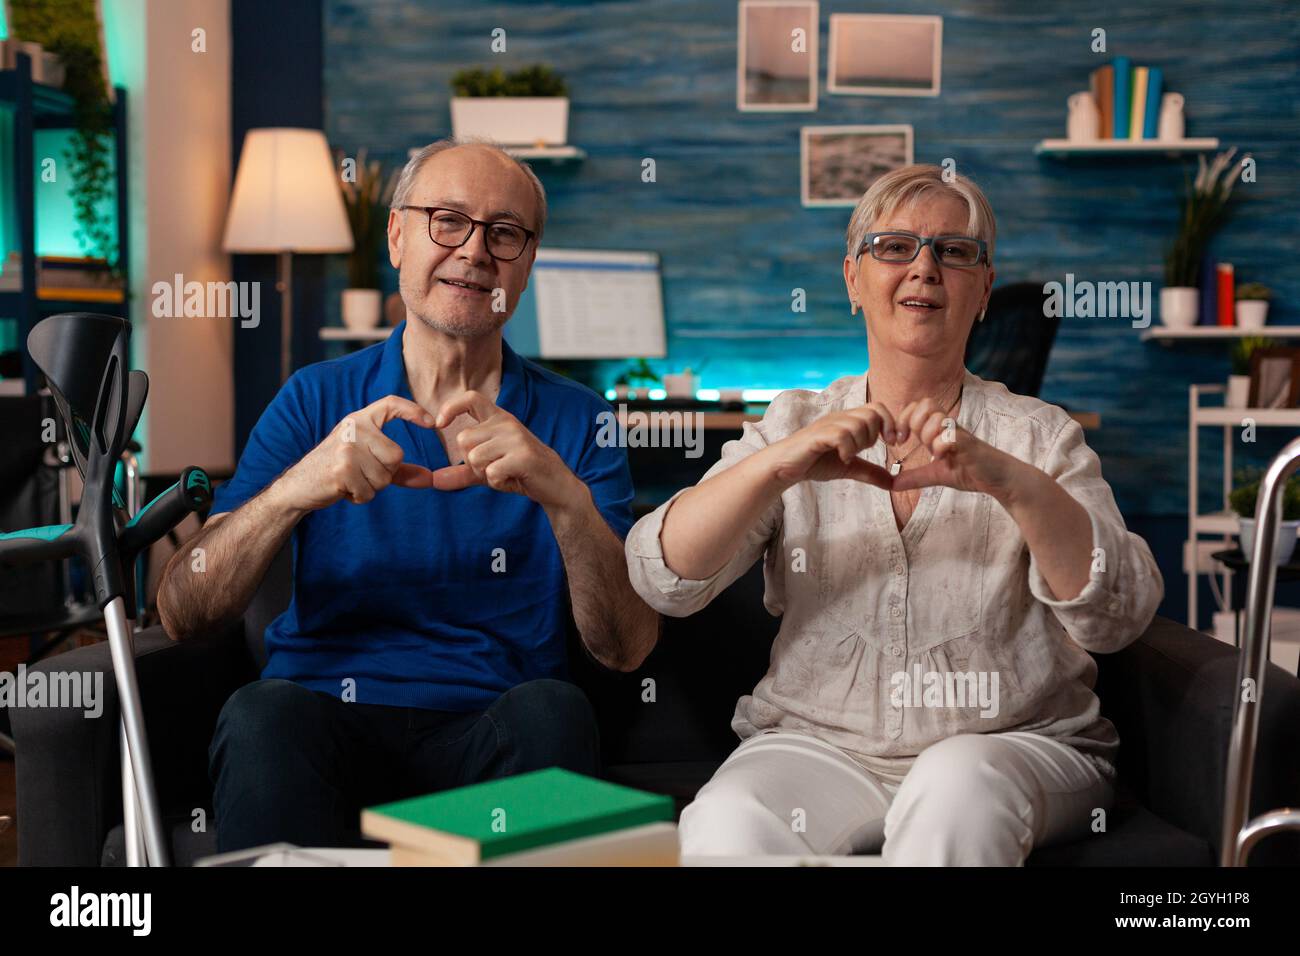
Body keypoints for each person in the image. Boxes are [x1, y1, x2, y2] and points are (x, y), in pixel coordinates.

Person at [624, 164, 1163, 865]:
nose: (925, 268)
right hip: (820, 747)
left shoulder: (1040, 436)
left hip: (1009, 745)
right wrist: (778, 465)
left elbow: (1117, 617)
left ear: (982, 291)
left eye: (954, 251)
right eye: (895, 247)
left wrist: (1015, 485)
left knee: (954, 788)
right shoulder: (791, 422)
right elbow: (661, 576)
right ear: (853, 279)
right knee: (725, 821)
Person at [158, 139, 659, 851]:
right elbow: (183, 611)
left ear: (528, 263)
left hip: (492, 728)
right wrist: (297, 489)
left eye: (504, 233)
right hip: (323, 719)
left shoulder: (580, 419)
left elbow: (627, 649)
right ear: (397, 236)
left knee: (556, 711)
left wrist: (564, 497)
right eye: (447, 220)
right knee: (260, 713)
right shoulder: (313, 398)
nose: (475, 251)